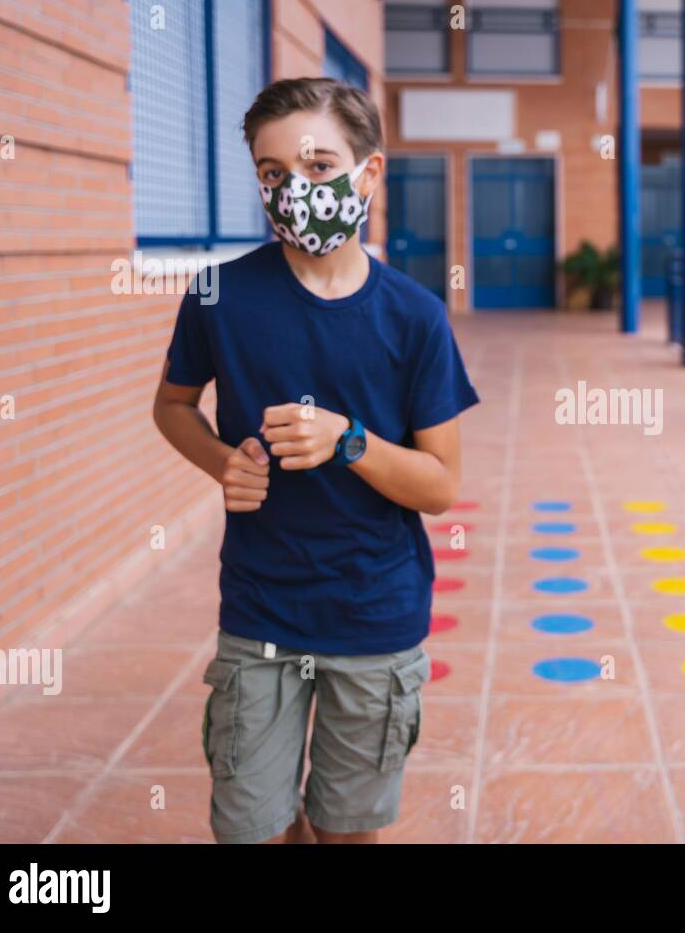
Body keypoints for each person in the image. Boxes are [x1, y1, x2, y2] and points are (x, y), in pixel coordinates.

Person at [152, 77, 479, 844]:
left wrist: (350, 441)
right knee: (250, 829)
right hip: (261, 610)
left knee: (346, 830)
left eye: (319, 167)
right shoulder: (217, 296)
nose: (295, 191)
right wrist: (219, 459)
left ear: (369, 173)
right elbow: (172, 406)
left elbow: (441, 486)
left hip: (374, 614)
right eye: (273, 174)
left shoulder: (415, 318)